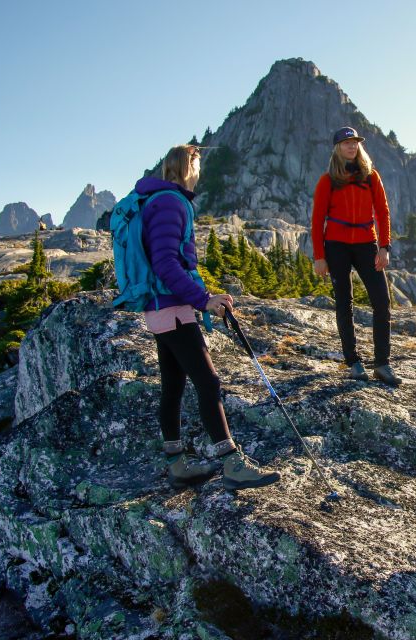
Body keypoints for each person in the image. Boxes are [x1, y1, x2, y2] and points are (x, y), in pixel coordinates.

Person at [138, 144, 281, 490]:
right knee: (209, 382)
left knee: (173, 384)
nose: (200, 172)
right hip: (172, 308)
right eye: (197, 165)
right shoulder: (171, 202)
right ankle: (231, 462)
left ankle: (176, 463)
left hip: (161, 308)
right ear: (187, 167)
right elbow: (166, 263)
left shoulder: (157, 200)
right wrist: (203, 300)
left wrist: (203, 296)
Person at [311, 127, 400, 386]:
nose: (352, 146)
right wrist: (319, 256)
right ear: (337, 147)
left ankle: (382, 364)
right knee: (344, 303)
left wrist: (384, 247)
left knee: (381, 302)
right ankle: (354, 362)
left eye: (355, 142)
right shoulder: (327, 180)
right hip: (336, 246)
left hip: (366, 244)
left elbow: (383, 212)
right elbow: (317, 220)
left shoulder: (371, 176)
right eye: (346, 142)